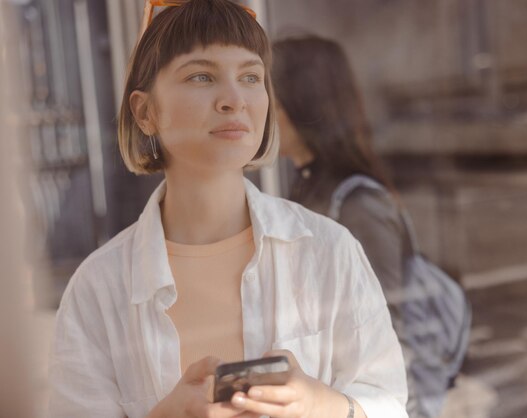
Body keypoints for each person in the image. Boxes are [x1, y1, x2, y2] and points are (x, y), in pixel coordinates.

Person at [47, 1, 408, 418]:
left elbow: (390, 403)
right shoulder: (98, 289)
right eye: (201, 76)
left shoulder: (328, 249)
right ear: (145, 112)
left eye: (251, 77)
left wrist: (319, 404)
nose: (234, 99)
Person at [272, 35, 467, 418]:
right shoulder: (304, 185)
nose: (257, 111)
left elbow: (391, 339)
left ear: (303, 106)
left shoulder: (357, 203)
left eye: (271, 100)